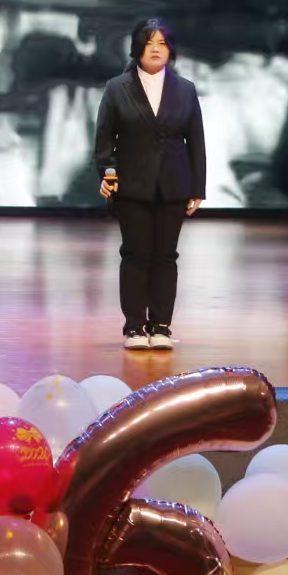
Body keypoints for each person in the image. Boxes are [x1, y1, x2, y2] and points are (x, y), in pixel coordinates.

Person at [93, 18, 206, 351]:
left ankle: (160, 326)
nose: (156, 49)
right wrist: (107, 175)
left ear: (171, 50)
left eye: (162, 43)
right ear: (137, 49)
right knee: (135, 254)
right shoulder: (118, 87)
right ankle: (134, 327)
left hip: (174, 185)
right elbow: (104, 141)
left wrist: (197, 188)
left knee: (166, 256)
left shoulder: (185, 89)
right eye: (149, 43)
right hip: (132, 186)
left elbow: (196, 142)